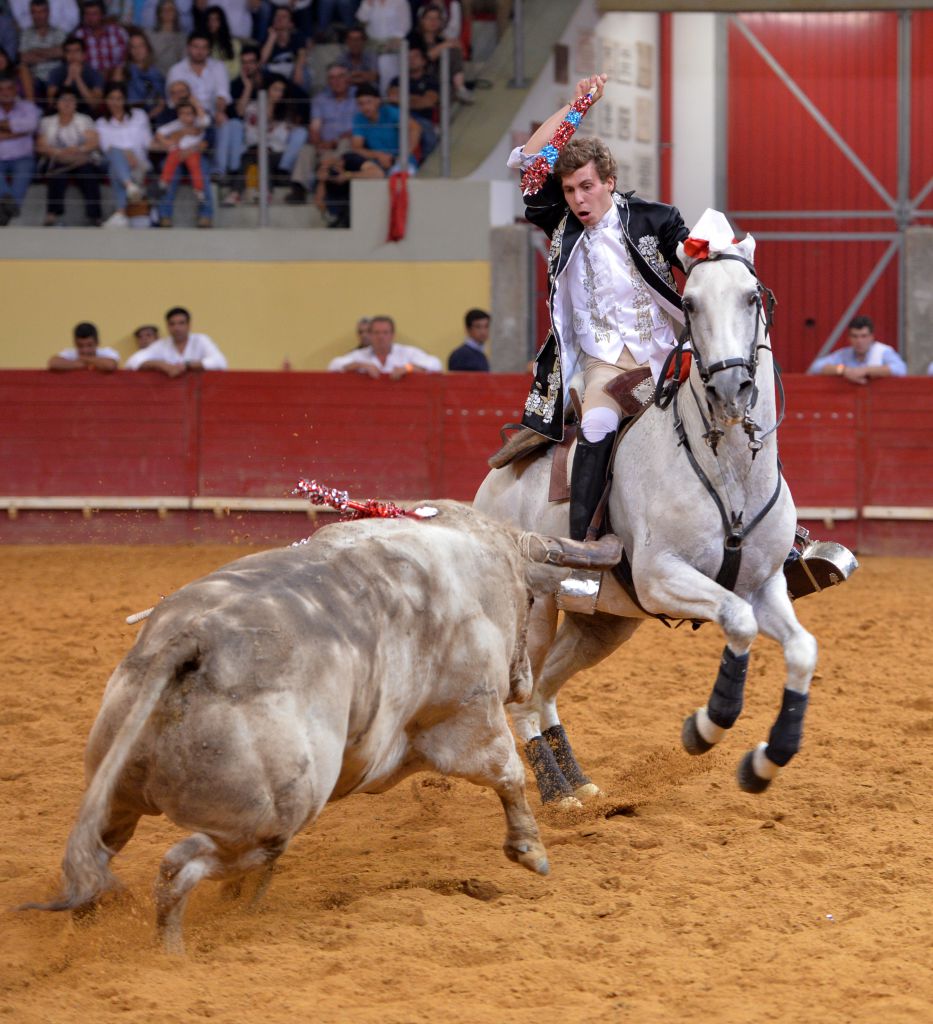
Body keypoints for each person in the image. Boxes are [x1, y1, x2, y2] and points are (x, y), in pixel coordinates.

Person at [508, 73, 689, 541]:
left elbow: (693, 258)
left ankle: (780, 535)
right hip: (604, 366)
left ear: (610, 181)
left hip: (667, 359)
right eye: (569, 190)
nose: (578, 198)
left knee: (731, 406)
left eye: (587, 186)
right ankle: (581, 545)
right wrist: (579, 104)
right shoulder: (561, 224)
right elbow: (531, 161)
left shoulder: (656, 218)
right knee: (597, 425)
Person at [285, 59, 354, 205]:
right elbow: (315, 127)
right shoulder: (320, 99)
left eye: (340, 76)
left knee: (345, 144)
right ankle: (299, 189)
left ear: (348, 78)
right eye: (332, 78)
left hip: (345, 144)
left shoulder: (356, 98)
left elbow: (359, 127)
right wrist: (319, 143)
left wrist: (334, 142)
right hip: (324, 145)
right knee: (306, 150)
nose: (336, 81)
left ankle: (333, 186)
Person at [35, 86, 102, 225]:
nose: (67, 103)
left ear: (76, 103)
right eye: (63, 100)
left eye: (71, 100)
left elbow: (94, 142)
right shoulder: (47, 121)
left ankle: (95, 216)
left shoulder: (84, 119)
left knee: (88, 173)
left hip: (81, 159)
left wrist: (78, 150)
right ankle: (52, 214)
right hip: (56, 159)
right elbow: (40, 146)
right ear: (56, 103)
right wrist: (60, 153)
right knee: (58, 172)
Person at [96, 81, 151, 226]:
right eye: (111, 98)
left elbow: (148, 142)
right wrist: (127, 154)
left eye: (119, 98)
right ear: (106, 100)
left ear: (125, 99)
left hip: (138, 164)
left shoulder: (139, 115)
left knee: (115, 169)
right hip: (116, 161)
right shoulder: (101, 123)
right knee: (115, 156)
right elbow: (107, 149)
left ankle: (121, 213)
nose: (115, 103)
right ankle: (129, 188)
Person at [328, 314, 441, 377]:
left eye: (385, 333)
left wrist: (407, 368)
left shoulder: (406, 352)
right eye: (376, 333)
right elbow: (333, 365)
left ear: (392, 335)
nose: (381, 337)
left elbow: (435, 364)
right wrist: (361, 365)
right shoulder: (360, 355)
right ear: (370, 335)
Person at [807, 315, 907, 384]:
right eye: (855, 336)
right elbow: (816, 367)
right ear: (849, 338)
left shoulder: (883, 352)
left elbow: (900, 369)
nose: (859, 341)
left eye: (863, 336)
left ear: (871, 337)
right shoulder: (844, 354)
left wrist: (866, 371)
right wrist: (844, 370)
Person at [126, 306, 227, 373]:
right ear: (168, 327)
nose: (176, 328)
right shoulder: (162, 345)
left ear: (189, 325)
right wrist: (161, 365)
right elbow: (131, 362)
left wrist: (187, 365)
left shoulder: (201, 340)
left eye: (181, 323)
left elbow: (220, 362)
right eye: (172, 324)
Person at [408, 2, 470, 104]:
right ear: (422, 20)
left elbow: (459, 53)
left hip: (440, 77)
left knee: (454, 50)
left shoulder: (441, 40)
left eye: (437, 18)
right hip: (420, 77)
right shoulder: (414, 38)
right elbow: (424, 58)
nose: (433, 21)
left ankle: (460, 87)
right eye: (429, 18)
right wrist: (445, 45)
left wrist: (450, 44)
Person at [0, 74, 40, 226]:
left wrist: (4, 129)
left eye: (9, 88)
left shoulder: (27, 106)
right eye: (1, 89)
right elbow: (24, 127)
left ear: (16, 89)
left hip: (22, 157)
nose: (5, 92)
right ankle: (10, 207)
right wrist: (18, 129)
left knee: (24, 172)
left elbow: (31, 125)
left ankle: (4, 211)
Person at [387, 45, 437, 160]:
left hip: (422, 118)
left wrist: (402, 98)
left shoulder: (431, 80)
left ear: (424, 61)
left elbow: (428, 102)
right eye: (408, 57)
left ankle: (424, 164)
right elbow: (392, 98)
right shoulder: (397, 80)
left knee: (430, 138)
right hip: (399, 116)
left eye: (415, 56)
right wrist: (416, 99)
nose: (411, 60)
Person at [355, 0, 410, 94]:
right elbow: (361, 19)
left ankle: (387, 101)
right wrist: (368, 4)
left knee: (388, 74)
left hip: (392, 46)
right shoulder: (367, 2)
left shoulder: (400, 2)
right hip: (372, 46)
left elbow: (405, 24)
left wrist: (395, 41)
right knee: (371, 77)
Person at [113, 28, 166, 120]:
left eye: (141, 46)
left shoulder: (157, 73)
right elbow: (114, 99)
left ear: (147, 48)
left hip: (153, 117)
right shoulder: (122, 71)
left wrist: (148, 118)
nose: (138, 50)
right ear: (129, 50)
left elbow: (161, 103)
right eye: (133, 47)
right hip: (128, 117)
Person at [46, 34, 103, 114]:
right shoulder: (55, 72)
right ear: (64, 55)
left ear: (84, 55)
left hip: (86, 115)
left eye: (76, 51)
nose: (72, 55)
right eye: (68, 51)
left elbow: (95, 105)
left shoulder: (94, 74)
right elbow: (51, 104)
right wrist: (69, 79)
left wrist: (78, 78)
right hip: (61, 115)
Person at [19, 0, 67, 93]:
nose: (38, 16)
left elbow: (62, 52)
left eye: (41, 12)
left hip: (56, 77)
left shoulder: (58, 32)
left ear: (48, 12)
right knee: (23, 69)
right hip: (35, 79)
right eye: (34, 12)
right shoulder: (26, 34)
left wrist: (34, 52)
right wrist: (51, 54)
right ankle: (31, 106)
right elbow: (24, 58)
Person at [75, 0, 128, 79]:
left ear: (102, 15)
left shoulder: (118, 32)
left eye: (94, 14)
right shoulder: (79, 35)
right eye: (87, 14)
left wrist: (110, 72)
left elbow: (126, 57)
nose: (90, 18)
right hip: (89, 80)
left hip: (114, 78)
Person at [47, 321, 119, 371]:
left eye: (89, 345)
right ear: (75, 343)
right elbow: (53, 363)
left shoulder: (107, 352)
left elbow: (110, 365)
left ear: (97, 342)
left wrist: (83, 360)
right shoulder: (70, 353)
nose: (85, 350)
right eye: (80, 346)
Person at [150, 0, 186, 74]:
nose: (167, 12)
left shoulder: (182, 37)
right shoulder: (150, 35)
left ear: (175, 12)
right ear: (159, 13)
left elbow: (184, 62)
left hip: (175, 77)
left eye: (170, 9)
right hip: (154, 76)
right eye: (164, 10)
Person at [335, 24, 377, 88]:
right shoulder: (341, 58)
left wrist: (352, 75)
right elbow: (338, 79)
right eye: (351, 39)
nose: (354, 43)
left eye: (358, 39)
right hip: (346, 92)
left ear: (364, 41)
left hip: (368, 91)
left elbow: (373, 77)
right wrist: (363, 75)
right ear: (347, 41)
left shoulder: (371, 56)